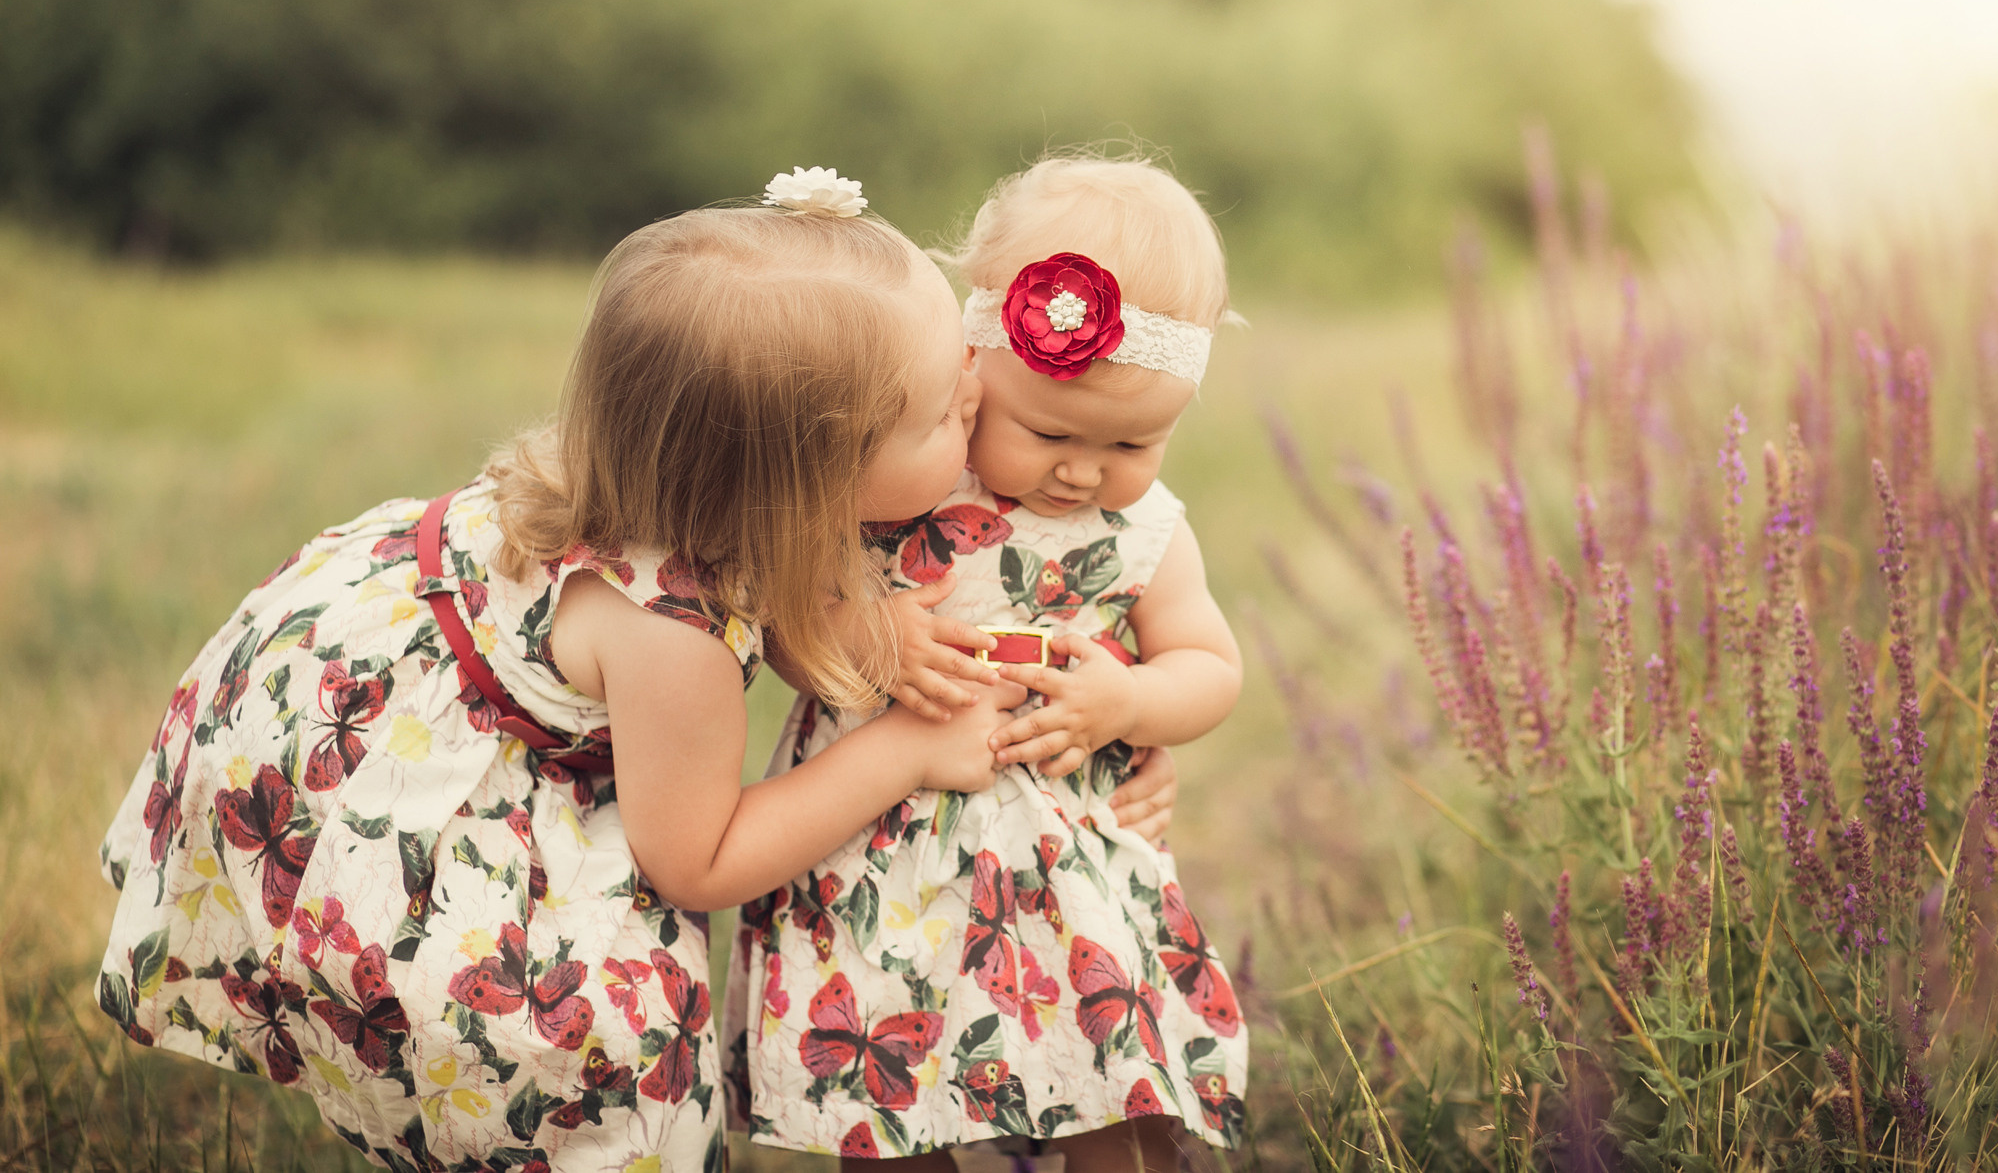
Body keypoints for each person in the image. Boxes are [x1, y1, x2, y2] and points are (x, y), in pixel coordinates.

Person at [93, 175, 1034, 1170]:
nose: (974, 396)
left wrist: (854, 622)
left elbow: (786, 589)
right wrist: (904, 749)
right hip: (391, 801)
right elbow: (699, 860)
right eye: (939, 415)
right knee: (609, 1068)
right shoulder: (672, 632)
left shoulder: (664, 475)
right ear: (807, 480)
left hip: (350, 682)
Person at [731, 157, 1249, 1171]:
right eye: (1049, 431)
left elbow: (1209, 665)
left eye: (1134, 442)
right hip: (876, 845)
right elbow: (781, 621)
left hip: (1062, 857)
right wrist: (857, 633)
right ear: (970, 369)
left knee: (1101, 1066)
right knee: (887, 1073)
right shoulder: (904, 474)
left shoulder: (1143, 528)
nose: (1084, 470)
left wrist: (1130, 699)